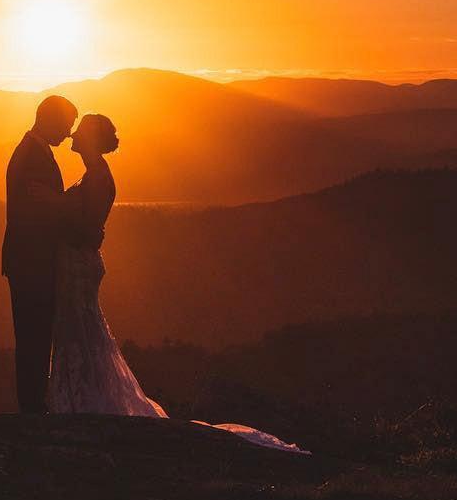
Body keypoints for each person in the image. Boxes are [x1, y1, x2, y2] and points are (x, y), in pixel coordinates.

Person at [47, 112, 308, 454]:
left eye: (79, 131)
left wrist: (51, 208)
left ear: (91, 140)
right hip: (76, 266)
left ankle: (85, 405)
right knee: (79, 334)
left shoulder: (98, 177)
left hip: (80, 267)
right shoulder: (93, 175)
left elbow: (89, 230)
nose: (73, 136)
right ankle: (82, 402)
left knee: (81, 334)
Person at [1, 94, 79, 413]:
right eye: (66, 124)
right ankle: (32, 408)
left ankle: (35, 404)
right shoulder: (31, 156)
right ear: (47, 119)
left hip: (30, 261)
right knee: (33, 335)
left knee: (35, 334)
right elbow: (35, 214)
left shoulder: (35, 150)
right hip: (31, 263)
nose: (68, 132)